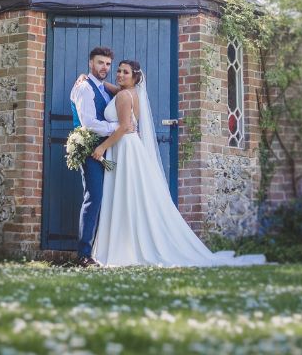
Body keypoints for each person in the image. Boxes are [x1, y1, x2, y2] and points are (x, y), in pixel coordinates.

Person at [81, 60, 266, 268]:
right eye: (118, 70)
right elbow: (111, 90)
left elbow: (124, 127)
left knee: (125, 194)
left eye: (125, 72)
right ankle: (128, 243)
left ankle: (123, 246)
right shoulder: (130, 93)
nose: (119, 74)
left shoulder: (124, 95)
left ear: (135, 77)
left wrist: (102, 147)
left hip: (123, 146)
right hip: (129, 147)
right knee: (130, 194)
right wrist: (89, 79)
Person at [68, 46, 132, 268]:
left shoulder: (103, 87)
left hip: (108, 148)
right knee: (93, 198)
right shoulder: (85, 88)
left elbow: (128, 91)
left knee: (110, 197)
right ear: (90, 63)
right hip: (91, 149)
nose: (104, 67)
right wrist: (119, 127)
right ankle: (83, 254)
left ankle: (104, 250)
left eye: (107, 64)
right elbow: (89, 124)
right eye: (100, 62)